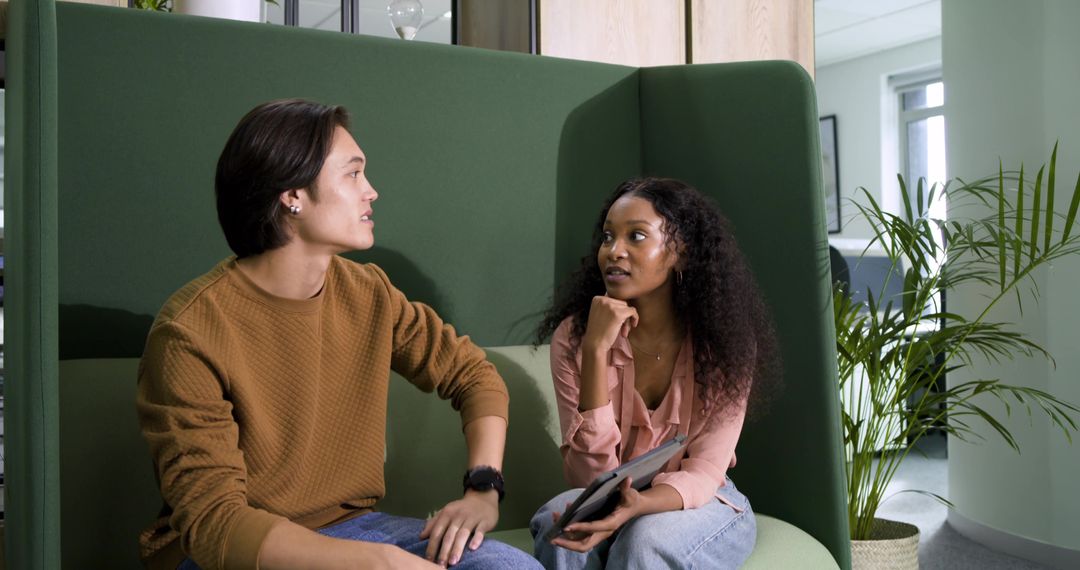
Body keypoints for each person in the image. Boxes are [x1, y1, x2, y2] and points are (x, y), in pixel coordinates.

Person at [136, 99, 543, 570]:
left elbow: (474, 375)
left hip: (352, 528)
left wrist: (483, 488)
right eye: (353, 175)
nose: (372, 192)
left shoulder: (368, 292)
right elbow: (215, 525)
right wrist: (379, 563)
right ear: (292, 194)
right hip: (235, 552)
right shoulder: (188, 332)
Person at [529, 177, 778, 569]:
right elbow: (587, 477)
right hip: (611, 491)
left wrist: (638, 506)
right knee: (557, 526)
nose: (614, 251)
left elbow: (705, 470)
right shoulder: (574, 338)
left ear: (680, 252)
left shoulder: (727, 343)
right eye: (608, 237)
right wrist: (595, 351)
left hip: (699, 498)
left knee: (644, 539)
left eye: (636, 236)